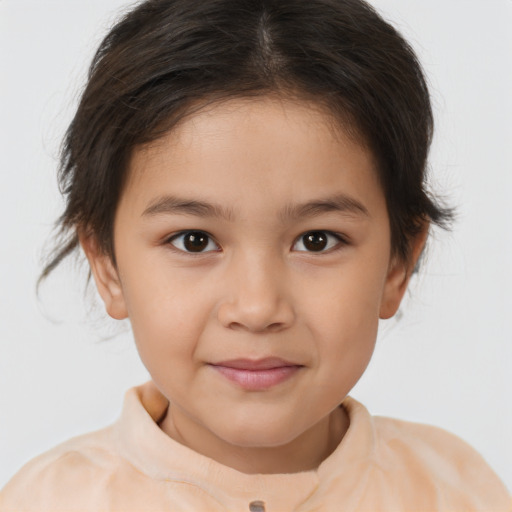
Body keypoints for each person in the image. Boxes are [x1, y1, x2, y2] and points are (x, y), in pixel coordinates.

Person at [1, 0, 510, 510]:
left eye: (317, 240)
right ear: (107, 265)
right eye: (194, 240)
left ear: (397, 265)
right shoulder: (44, 501)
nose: (257, 307)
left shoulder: (459, 491)